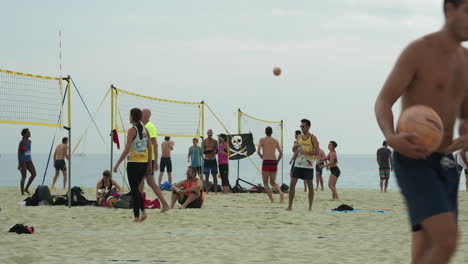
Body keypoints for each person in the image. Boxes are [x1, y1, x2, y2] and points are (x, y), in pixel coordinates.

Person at [374, 1, 468, 261]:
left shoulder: (466, 61)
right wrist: (392, 137)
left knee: (425, 249)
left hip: (448, 163)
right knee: (447, 241)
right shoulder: (419, 51)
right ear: (450, 10)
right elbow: (383, 100)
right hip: (415, 159)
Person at [113, 108, 152, 222]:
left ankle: (138, 215)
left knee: (134, 191)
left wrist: (117, 164)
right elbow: (150, 148)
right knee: (135, 190)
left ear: (132, 117)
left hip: (134, 163)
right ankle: (141, 213)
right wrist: (149, 163)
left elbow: (126, 150)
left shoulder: (132, 130)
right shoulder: (146, 130)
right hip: (143, 163)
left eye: (129, 115)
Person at [139, 109, 170, 212]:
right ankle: (163, 204)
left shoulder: (149, 127)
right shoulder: (144, 126)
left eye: (142, 114)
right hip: (145, 158)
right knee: (146, 182)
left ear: (146, 115)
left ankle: (164, 204)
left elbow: (155, 145)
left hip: (148, 159)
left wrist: (155, 161)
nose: (141, 115)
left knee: (146, 182)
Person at [286, 119, 319, 211]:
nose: (301, 128)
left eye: (303, 126)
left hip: (308, 165)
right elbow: (293, 150)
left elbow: (317, 151)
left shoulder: (313, 137)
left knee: (310, 186)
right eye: (300, 126)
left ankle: (310, 207)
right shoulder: (299, 137)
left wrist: (306, 152)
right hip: (298, 164)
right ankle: (289, 206)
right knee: (292, 184)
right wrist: (295, 146)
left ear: (308, 127)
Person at [257, 126, 284, 203]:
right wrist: (277, 161)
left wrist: (261, 156)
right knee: (273, 182)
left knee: (265, 183)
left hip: (266, 162)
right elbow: (281, 153)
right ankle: (281, 192)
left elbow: (258, 151)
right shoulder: (275, 141)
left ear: (265, 132)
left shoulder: (262, 140)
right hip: (273, 162)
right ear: (272, 132)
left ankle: (272, 200)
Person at [17, 128, 36, 195]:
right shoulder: (22, 142)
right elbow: (19, 153)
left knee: (34, 174)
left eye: (29, 132)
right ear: (25, 134)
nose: (30, 133)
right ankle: (22, 192)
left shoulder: (30, 141)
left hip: (29, 160)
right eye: (28, 132)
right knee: (24, 176)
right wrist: (19, 164)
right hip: (23, 160)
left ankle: (26, 188)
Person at [202, 129, 218, 193]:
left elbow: (217, 150)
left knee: (215, 175)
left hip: (213, 159)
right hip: (207, 160)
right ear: (207, 134)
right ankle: (207, 190)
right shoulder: (204, 141)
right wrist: (207, 153)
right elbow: (202, 151)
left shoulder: (215, 141)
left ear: (212, 134)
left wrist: (213, 152)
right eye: (209, 135)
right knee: (206, 176)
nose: (210, 136)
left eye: (211, 135)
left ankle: (216, 191)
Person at [455, 121, 468, 191]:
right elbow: (461, 153)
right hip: (461, 161)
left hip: (465, 161)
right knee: (457, 179)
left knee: (467, 180)